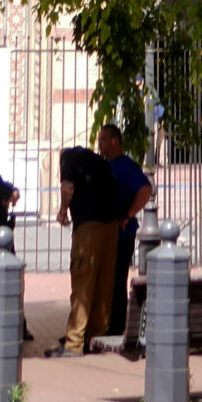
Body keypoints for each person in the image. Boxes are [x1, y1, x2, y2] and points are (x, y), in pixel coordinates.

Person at [52, 140, 125, 354]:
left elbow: (67, 188)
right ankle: (96, 338)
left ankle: (74, 343)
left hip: (89, 228)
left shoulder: (68, 160)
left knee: (83, 283)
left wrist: (63, 211)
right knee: (104, 284)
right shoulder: (99, 162)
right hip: (111, 226)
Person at [94, 122, 155, 327]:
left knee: (116, 281)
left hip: (121, 235)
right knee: (102, 280)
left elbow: (145, 190)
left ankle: (117, 324)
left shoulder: (127, 166)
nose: (99, 144)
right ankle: (101, 322)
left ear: (114, 141)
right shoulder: (100, 165)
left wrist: (128, 214)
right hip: (102, 233)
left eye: (103, 139)